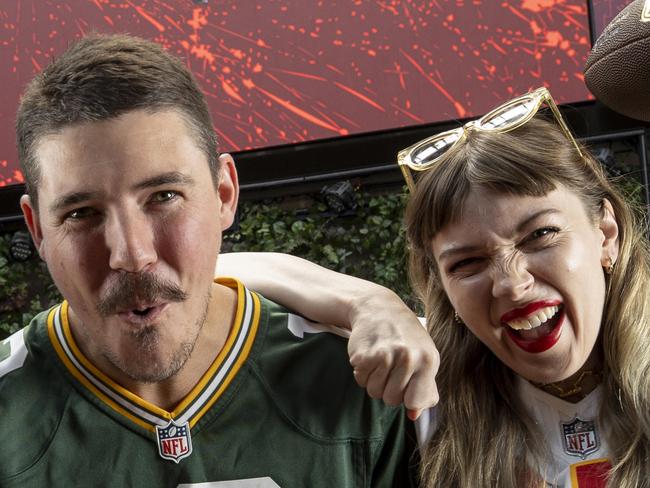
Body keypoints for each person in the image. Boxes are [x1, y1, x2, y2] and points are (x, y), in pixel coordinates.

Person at [0, 33, 425, 487]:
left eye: (164, 196)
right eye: (81, 214)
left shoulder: (359, 382)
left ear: (224, 193)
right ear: (38, 229)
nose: (132, 254)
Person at [219, 87, 650, 487]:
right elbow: (210, 271)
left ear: (605, 232)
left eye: (540, 235)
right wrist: (370, 302)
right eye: (467, 263)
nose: (511, 284)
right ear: (443, 286)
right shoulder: (428, 384)